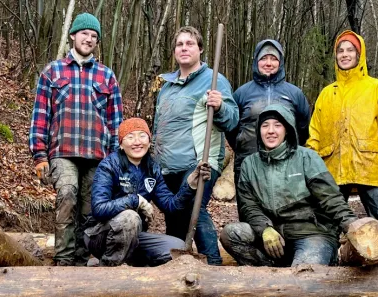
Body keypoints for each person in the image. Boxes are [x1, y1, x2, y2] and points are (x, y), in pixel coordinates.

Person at [29, 13, 123, 266]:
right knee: (67, 196)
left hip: (97, 156)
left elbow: (116, 122)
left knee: (89, 208)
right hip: (62, 151)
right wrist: (39, 154)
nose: (89, 39)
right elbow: (40, 115)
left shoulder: (107, 76)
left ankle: (81, 263)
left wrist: (116, 159)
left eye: (94, 36)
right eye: (84, 34)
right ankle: (63, 260)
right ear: (73, 35)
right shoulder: (53, 71)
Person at [307, 30, 378, 263]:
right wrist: (311, 169)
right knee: (330, 220)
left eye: (350, 50)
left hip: (369, 166)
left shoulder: (377, 88)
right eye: (340, 51)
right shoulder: (326, 93)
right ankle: (327, 265)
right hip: (332, 167)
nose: (344, 55)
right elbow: (315, 134)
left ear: (359, 54)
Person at [221, 104, 358, 267]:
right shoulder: (250, 164)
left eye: (277, 125)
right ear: (259, 131)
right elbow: (249, 206)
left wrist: (351, 224)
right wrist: (265, 229)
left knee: (304, 277)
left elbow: (331, 198)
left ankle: (315, 265)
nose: (270, 131)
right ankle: (267, 274)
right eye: (265, 126)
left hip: (312, 234)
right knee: (231, 234)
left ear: (287, 129)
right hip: (275, 236)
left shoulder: (307, 158)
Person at [152, 26, 238, 265]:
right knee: (174, 216)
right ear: (174, 51)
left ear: (200, 49)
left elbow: (232, 119)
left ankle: (214, 265)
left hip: (199, 161)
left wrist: (220, 106)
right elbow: (159, 126)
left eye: (190, 43)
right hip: (167, 165)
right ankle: (176, 268)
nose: (184, 48)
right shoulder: (166, 86)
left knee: (193, 209)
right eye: (179, 44)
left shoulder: (214, 80)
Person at [85, 118, 211, 266]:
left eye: (142, 136)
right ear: (121, 144)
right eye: (130, 137)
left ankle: (134, 264)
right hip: (99, 235)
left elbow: (171, 206)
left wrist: (190, 185)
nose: (137, 142)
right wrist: (135, 200)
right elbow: (99, 209)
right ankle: (109, 268)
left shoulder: (152, 169)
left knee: (178, 247)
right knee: (130, 217)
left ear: (149, 141)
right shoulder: (109, 166)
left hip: (134, 236)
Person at [227, 39, 310, 186]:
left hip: (287, 165)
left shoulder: (295, 94)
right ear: (256, 62)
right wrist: (243, 146)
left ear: (281, 62)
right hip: (247, 164)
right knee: (249, 207)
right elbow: (231, 128)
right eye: (263, 58)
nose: (268, 63)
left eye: (274, 58)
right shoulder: (241, 93)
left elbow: (304, 128)